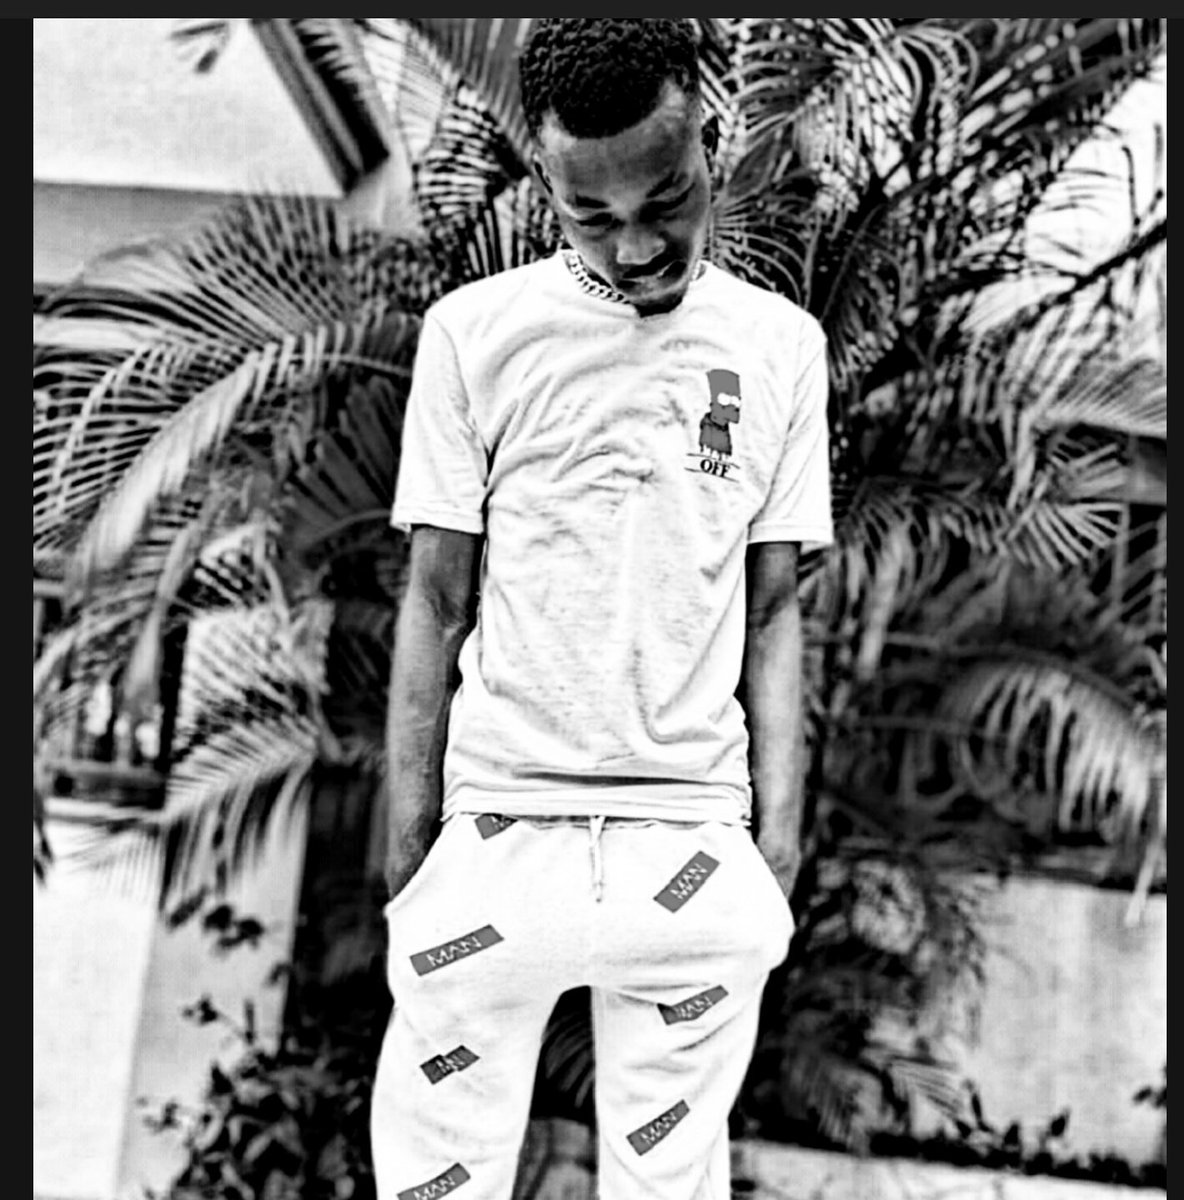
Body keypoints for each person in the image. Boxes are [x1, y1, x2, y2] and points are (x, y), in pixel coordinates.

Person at [370, 18, 833, 1199]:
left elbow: (773, 609)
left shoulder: (781, 348)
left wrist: (776, 841)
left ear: (709, 142)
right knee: (433, 1185)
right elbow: (436, 597)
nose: (636, 246)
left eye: (666, 199)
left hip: (688, 846)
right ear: (545, 185)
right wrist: (412, 847)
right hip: (497, 838)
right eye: (592, 215)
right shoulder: (475, 336)